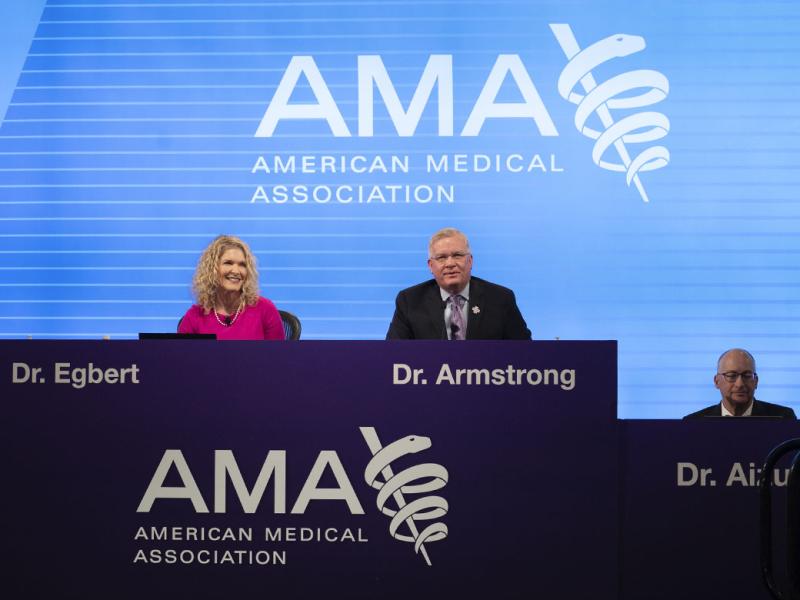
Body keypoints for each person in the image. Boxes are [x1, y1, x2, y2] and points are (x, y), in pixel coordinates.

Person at [386, 228, 531, 340]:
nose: (450, 264)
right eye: (441, 257)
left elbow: (525, 353)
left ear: (470, 261)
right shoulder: (409, 301)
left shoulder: (500, 299)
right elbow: (393, 355)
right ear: (430, 266)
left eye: (457, 255)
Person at [178, 235, 285, 340]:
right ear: (212, 270)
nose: (236, 271)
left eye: (242, 265)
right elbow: (181, 356)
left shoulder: (265, 309)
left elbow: (279, 355)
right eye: (228, 263)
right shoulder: (194, 317)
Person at [684, 348, 795, 418]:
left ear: (756, 381)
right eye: (732, 376)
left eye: (747, 375)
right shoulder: (694, 423)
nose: (740, 384)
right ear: (716, 381)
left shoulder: (783, 418)